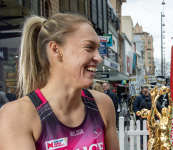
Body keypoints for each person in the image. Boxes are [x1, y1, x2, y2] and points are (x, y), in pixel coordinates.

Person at [0, 13, 119, 150]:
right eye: (89, 48)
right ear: (56, 50)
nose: (99, 58)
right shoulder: (17, 116)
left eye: (97, 49)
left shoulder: (103, 105)